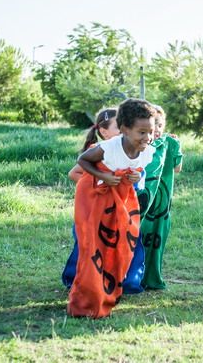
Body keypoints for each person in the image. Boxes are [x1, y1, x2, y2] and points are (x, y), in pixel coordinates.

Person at [67, 98, 156, 318]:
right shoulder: (109, 147)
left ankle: (110, 286)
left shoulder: (147, 151)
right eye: (141, 132)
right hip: (93, 196)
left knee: (120, 242)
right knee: (93, 244)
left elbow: (137, 171)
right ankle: (86, 295)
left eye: (150, 132)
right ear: (125, 129)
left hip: (121, 198)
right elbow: (83, 160)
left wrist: (136, 175)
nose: (147, 137)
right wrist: (104, 176)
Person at [62, 108, 119, 288]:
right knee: (84, 242)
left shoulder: (119, 150)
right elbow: (74, 173)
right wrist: (98, 185)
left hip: (107, 208)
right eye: (119, 127)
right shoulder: (97, 150)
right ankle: (73, 278)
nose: (124, 130)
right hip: (89, 207)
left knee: (102, 243)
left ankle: (97, 278)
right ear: (104, 131)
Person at [137, 105, 183, 289]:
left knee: (155, 242)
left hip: (160, 206)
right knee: (136, 240)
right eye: (153, 124)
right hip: (140, 203)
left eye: (160, 125)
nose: (156, 129)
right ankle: (132, 278)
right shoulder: (136, 144)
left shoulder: (168, 144)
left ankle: (151, 278)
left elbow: (177, 168)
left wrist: (176, 147)